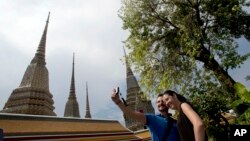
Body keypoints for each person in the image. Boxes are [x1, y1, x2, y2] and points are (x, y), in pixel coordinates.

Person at [111, 88, 180, 141]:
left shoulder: (176, 122)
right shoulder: (152, 119)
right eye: (158, 102)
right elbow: (132, 114)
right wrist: (118, 102)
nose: (161, 103)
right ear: (156, 105)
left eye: (163, 101)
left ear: (167, 103)